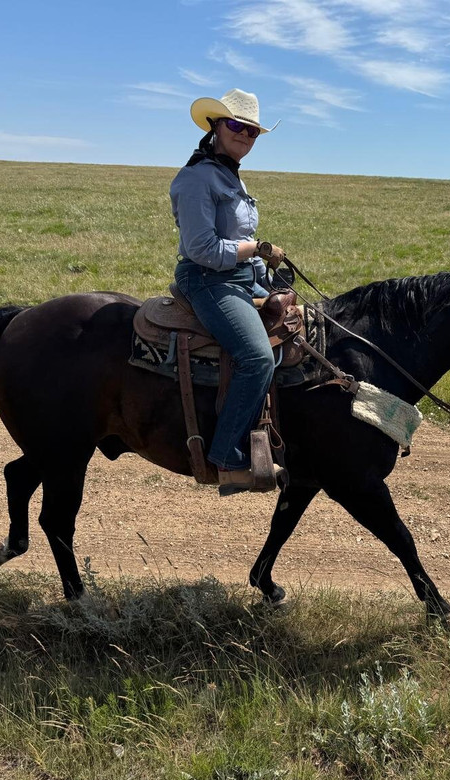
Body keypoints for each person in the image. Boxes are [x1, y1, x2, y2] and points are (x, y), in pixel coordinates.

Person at [169, 89, 287, 495]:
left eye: (252, 131)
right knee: (256, 358)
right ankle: (226, 456)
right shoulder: (197, 178)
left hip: (239, 277)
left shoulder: (229, 174)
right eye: (237, 126)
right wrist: (257, 249)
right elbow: (202, 249)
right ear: (215, 126)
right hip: (207, 279)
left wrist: (266, 270)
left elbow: (239, 239)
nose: (245, 136)